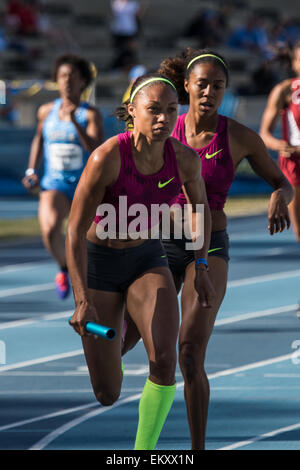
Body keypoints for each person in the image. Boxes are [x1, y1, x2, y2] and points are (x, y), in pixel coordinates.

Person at [122, 49, 293, 449]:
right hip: (161, 243)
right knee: (128, 340)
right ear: (186, 85)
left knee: (189, 352)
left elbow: (281, 181)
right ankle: (142, 442)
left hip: (210, 246)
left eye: (218, 86)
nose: (209, 93)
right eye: (202, 84)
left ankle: (197, 448)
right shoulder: (166, 128)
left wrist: (279, 197)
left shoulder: (238, 137)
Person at [66, 72, 215, 450]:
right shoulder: (107, 158)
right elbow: (73, 232)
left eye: (171, 110)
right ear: (133, 112)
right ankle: (109, 333)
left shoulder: (184, 160)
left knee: (164, 360)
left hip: (146, 259)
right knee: (107, 393)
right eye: (154, 110)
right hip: (99, 263)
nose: (164, 118)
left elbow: (200, 209)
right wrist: (82, 300)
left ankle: (142, 454)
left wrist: (201, 265)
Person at [22, 54, 104, 299]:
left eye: (72, 76)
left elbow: (96, 150)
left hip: (84, 185)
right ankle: (64, 268)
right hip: (54, 183)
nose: (67, 81)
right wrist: (31, 170)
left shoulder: (90, 114)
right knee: (49, 230)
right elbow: (39, 138)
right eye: (62, 76)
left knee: (84, 239)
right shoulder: (46, 111)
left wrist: (75, 124)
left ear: (82, 82)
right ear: (56, 80)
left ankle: (90, 279)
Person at [260, 41, 300, 244]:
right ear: (294, 63)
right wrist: (279, 145)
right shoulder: (285, 90)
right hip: (294, 165)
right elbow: (264, 135)